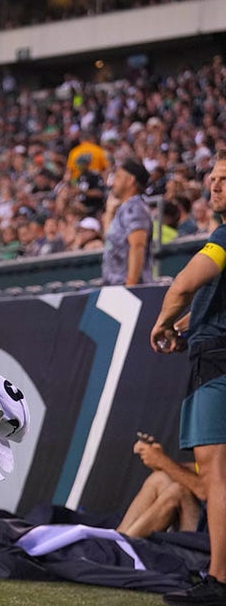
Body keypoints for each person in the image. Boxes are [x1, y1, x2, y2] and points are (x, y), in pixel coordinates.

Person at [150, 151, 226, 604]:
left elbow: (182, 285)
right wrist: (186, 330)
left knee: (216, 476)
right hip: (212, 350)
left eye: (225, 179)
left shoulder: (222, 237)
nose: (215, 185)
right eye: (213, 178)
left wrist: (163, 323)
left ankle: (218, 580)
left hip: (217, 367)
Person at [117, 433, 204, 538]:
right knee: (161, 478)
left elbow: (204, 491)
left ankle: (122, 544)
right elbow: (199, 473)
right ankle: (118, 536)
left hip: (212, 540)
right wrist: (158, 460)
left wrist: (162, 461)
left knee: (177, 492)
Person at [102, 158, 154, 286]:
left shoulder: (135, 208)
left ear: (131, 180)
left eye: (118, 177)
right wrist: (109, 211)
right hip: (115, 288)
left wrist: (131, 286)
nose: (113, 182)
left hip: (127, 290)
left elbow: (137, 245)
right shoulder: (125, 208)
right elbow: (110, 238)